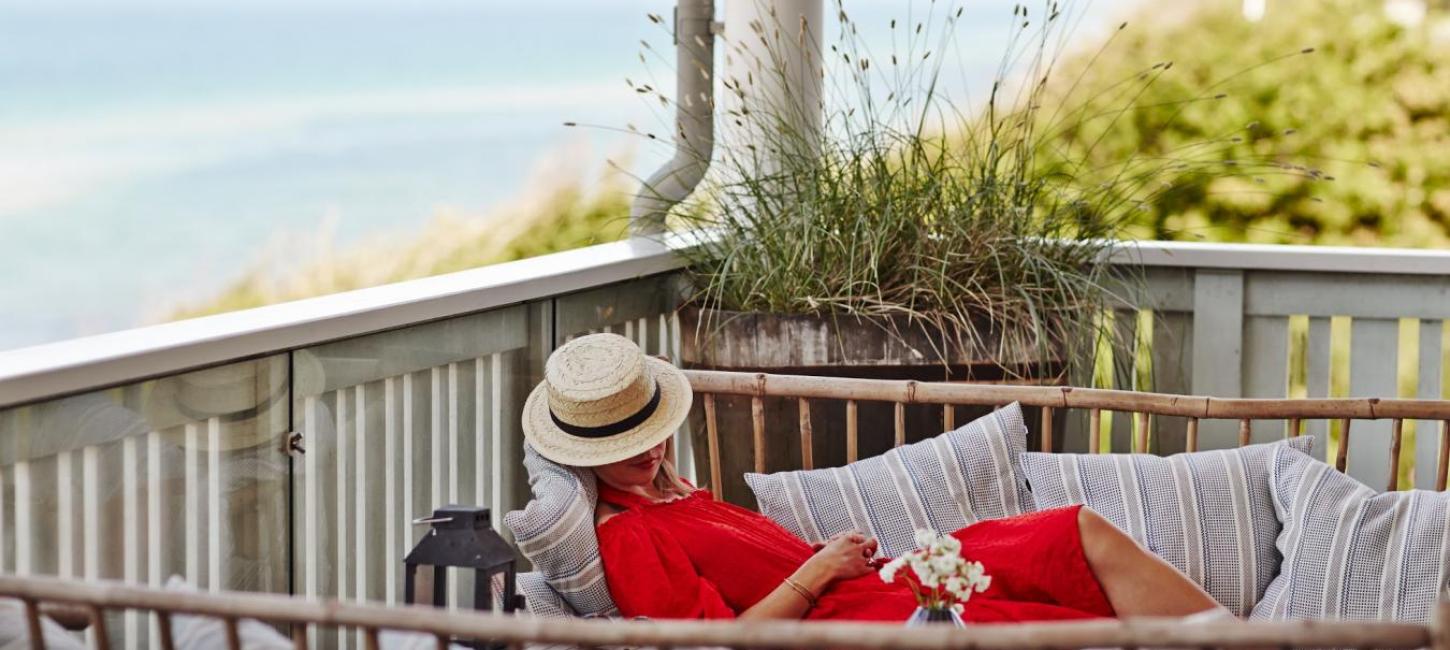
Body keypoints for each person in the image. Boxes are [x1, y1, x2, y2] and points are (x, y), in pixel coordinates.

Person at [522, 333, 1225, 623]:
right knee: (1052, 617)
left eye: (648, 431)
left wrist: (838, 563)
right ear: (580, 452)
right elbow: (722, 643)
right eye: (625, 445)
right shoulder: (628, 537)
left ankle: (1236, 639)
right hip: (863, 623)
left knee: (1072, 530)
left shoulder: (670, 493)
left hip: (885, 583)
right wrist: (821, 568)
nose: (648, 451)